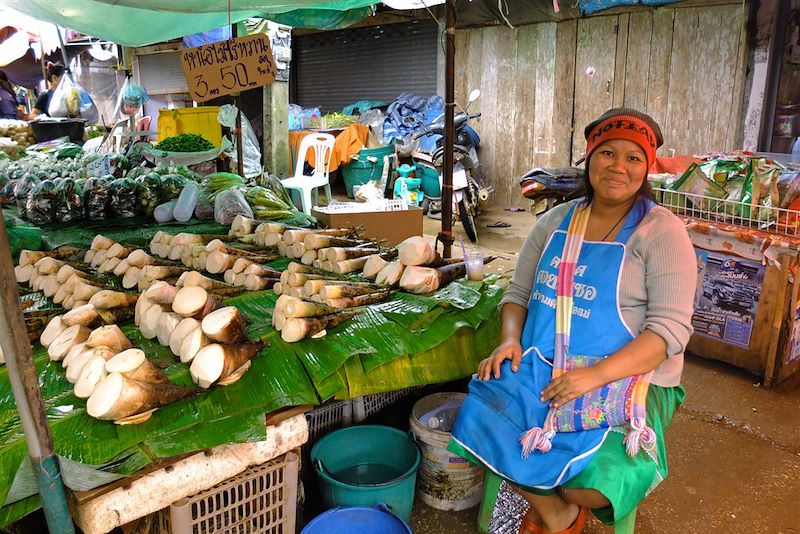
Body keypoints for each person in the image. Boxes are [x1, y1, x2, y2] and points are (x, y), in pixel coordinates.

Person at [449, 108, 696, 533]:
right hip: (543, 365)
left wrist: (594, 376)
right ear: (589, 159)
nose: (619, 166)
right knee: (477, 420)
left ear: (647, 167)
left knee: (596, 488)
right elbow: (518, 294)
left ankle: (562, 495)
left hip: (631, 376)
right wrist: (510, 340)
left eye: (633, 158)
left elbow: (667, 334)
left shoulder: (661, 233)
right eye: (607, 153)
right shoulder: (554, 222)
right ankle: (555, 513)